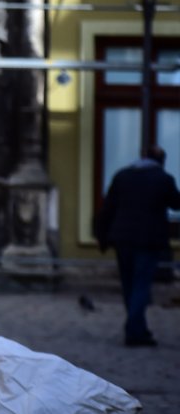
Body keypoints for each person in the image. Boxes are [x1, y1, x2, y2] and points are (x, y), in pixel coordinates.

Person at [94, 145, 180, 347]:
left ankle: (138, 327)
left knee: (129, 285)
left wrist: (101, 235)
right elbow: (176, 203)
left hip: (122, 238)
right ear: (161, 161)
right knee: (141, 285)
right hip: (148, 240)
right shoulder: (163, 179)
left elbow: (108, 208)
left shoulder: (122, 176)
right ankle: (134, 331)